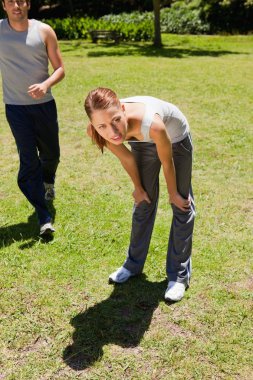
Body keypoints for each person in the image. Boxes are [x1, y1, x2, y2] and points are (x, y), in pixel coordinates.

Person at [84, 87, 196, 302]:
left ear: (123, 110)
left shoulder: (153, 123)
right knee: (143, 202)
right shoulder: (97, 131)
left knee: (181, 204)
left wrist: (173, 193)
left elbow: (167, 162)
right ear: (94, 125)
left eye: (116, 120)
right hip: (141, 140)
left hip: (174, 137)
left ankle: (179, 276)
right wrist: (138, 187)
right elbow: (127, 159)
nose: (112, 131)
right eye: (102, 126)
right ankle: (132, 265)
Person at [0, 0, 65, 236]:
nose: (16, 5)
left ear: (27, 4)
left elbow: (60, 69)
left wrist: (46, 84)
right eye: (10, 1)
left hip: (44, 106)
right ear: (4, 6)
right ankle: (44, 216)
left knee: (51, 155)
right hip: (16, 109)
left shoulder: (44, 31)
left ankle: (48, 180)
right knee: (28, 162)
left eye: (21, 0)